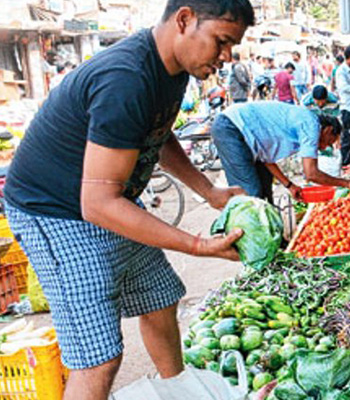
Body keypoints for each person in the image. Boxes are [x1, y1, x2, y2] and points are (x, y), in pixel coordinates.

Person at [2, 1, 255, 398]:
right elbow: (97, 205)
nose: (226, 57)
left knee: (160, 299)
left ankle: (180, 391)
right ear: (184, 20)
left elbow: (158, 133)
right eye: (221, 41)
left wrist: (208, 191)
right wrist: (197, 245)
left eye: (232, 46)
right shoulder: (126, 78)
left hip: (108, 198)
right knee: (98, 358)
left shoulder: (173, 72)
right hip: (56, 212)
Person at [211, 101, 350, 202]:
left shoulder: (302, 130)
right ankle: (247, 245)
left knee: (265, 191)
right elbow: (311, 173)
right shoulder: (311, 124)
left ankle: (270, 239)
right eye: (329, 142)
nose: (325, 147)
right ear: (328, 130)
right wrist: (346, 183)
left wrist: (289, 185)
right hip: (231, 127)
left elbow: (267, 160)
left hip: (242, 133)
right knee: (250, 195)